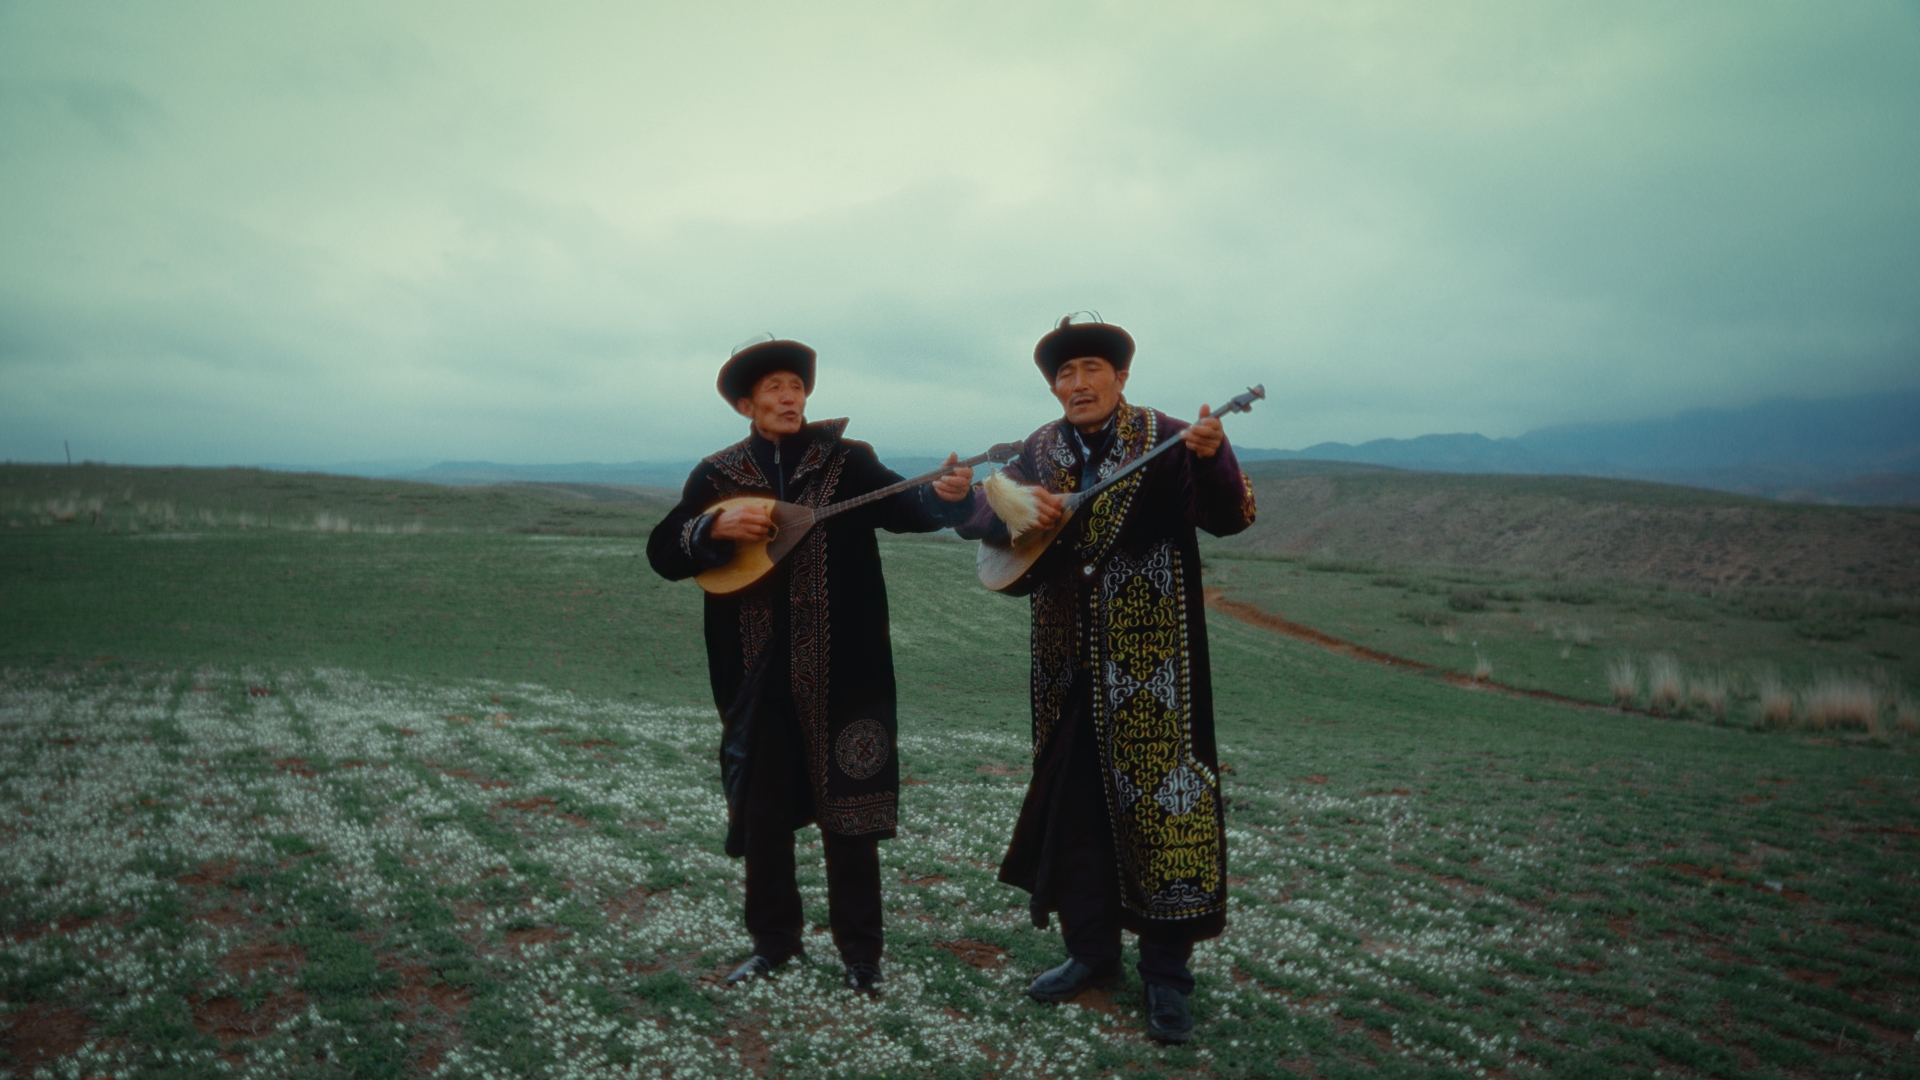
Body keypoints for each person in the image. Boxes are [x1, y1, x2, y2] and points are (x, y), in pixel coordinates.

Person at [956, 315, 1256, 1043]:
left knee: (1165, 811)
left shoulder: (1175, 436)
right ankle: (1090, 956)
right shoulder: (1040, 448)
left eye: (1092, 368)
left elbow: (1233, 516)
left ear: (1121, 377)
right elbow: (982, 522)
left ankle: (1167, 980)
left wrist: (1214, 458)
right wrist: (1004, 508)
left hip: (1156, 670)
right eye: (1064, 373)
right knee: (1077, 814)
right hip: (1064, 666)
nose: (1077, 383)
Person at [646, 338, 975, 993]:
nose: (788, 396)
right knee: (764, 817)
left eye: (795, 384)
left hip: (846, 673)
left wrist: (946, 496)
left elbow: (903, 509)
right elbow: (664, 551)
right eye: (772, 387)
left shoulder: (848, 462)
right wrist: (710, 533)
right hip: (754, 673)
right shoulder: (716, 475)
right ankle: (774, 944)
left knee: (850, 815)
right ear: (747, 404)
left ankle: (861, 956)